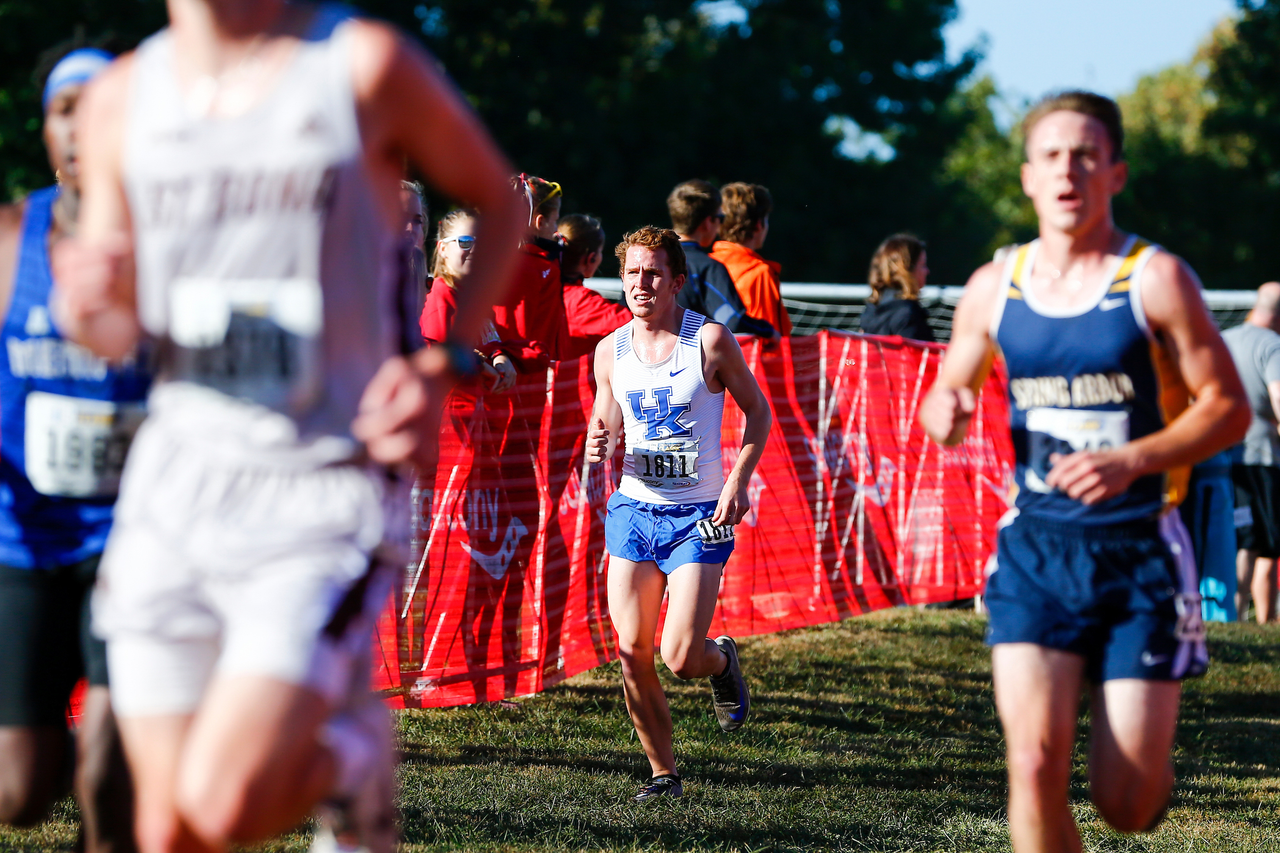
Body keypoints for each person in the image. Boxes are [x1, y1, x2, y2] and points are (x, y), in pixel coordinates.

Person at [52, 4, 525, 853]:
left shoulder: (360, 65)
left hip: (323, 479)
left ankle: (353, 759)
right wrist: (90, 307)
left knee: (226, 805)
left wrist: (445, 361)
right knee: (162, 831)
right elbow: (117, 324)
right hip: (178, 479)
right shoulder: (120, 98)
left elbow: (499, 201)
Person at [918, 90, 1249, 852]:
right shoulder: (992, 286)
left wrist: (1134, 457)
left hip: (1139, 552)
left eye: (1087, 155)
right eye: (1053, 155)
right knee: (1031, 762)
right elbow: (948, 390)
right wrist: (946, 410)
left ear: (1116, 173)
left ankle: (1140, 752)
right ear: (1029, 177)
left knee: (1126, 804)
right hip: (1035, 551)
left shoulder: (1157, 279)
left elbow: (1228, 408)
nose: (1069, 169)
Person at [0, 43, 145, 853]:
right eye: (67, 109)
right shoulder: (10, 238)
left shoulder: (168, 247)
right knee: (19, 791)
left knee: (109, 783)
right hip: (24, 540)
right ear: (47, 127)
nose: (85, 126)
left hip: (137, 547)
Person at [586, 226, 771, 801]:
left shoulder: (710, 341)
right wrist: (600, 440)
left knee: (680, 656)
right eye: (633, 273)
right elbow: (608, 419)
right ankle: (663, 775)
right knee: (632, 652)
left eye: (653, 273)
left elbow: (758, 415)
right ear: (622, 279)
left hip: (699, 516)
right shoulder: (610, 351)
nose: (642, 284)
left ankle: (720, 664)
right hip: (635, 510)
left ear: (677, 280)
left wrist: (738, 481)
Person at [1221, 282, 1280, 623]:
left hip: (1222, 457)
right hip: (1263, 458)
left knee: (1245, 538)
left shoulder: (1224, 339)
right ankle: (1252, 617)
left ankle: (1246, 616)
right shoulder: (1272, 345)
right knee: (1262, 545)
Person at [420, 208, 524, 392]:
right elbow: (440, 362)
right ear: (443, 249)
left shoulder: (473, 297)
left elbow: (485, 345)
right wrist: (483, 367)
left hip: (476, 415)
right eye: (465, 242)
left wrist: (500, 357)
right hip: (450, 415)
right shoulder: (440, 296)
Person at [665, 180, 776, 339]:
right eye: (720, 218)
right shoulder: (708, 267)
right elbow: (732, 321)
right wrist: (769, 331)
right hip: (688, 358)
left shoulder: (647, 262)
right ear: (708, 222)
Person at [491, 174, 568, 359]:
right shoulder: (527, 267)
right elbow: (514, 338)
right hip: (524, 380)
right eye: (555, 220)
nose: (557, 229)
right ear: (540, 222)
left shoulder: (536, 262)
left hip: (531, 377)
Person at [710, 182, 791, 336]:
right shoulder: (760, 274)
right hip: (745, 359)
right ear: (759, 225)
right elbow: (772, 341)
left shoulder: (703, 266)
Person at [557, 213, 631, 360]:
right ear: (591, 258)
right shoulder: (582, 303)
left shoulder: (541, 290)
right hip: (575, 382)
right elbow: (636, 325)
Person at [858, 233, 935, 342]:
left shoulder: (871, 310)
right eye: (923, 265)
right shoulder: (907, 315)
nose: (927, 271)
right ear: (907, 270)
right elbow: (917, 357)